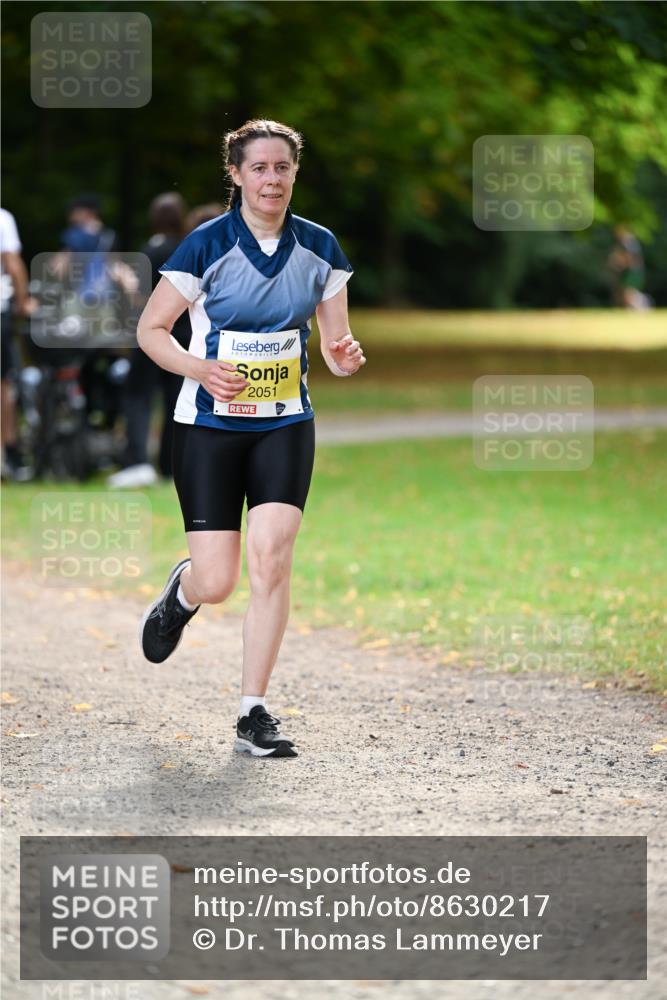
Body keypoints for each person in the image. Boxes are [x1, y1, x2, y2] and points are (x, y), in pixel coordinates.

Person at [137, 119, 366, 758]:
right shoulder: (205, 245)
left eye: (282, 168)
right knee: (219, 580)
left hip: (286, 424)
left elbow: (335, 344)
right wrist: (200, 368)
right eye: (259, 168)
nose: (272, 178)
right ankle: (184, 593)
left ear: (295, 174)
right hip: (209, 427)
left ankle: (252, 711)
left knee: (273, 556)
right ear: (236, 175)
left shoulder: (320, 247)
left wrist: (344, 357)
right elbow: (151, 330)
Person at [107, 192, 192, 487]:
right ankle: (170, 463)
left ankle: (137, 461)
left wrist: (125, 282)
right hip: (186, 335)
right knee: (175, 399)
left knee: (138, 397)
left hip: (154, 334)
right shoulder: (190, 248)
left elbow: (141, 298)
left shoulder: (150, 250)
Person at [1, 207, 35, 480]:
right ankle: (8, 453)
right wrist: (23, 303)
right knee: (4, 385)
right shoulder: (3, 218)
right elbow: (12, 263)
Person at [607, 225, 650, 310]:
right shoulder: (628, 243)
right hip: (631, 271)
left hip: (632, 272)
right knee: (626, 292)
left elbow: (630, 259)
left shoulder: (628, 243)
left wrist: (617, 264)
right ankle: (637, 307)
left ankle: (643, 304)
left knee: (629, 292)